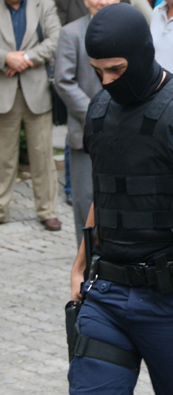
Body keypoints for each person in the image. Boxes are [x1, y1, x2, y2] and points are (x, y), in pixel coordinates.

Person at [67, 4, 173, 395]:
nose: (107, 81)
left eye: (116, 69)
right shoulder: (99, 110)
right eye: (98, 71)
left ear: (142, 53)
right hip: (106, 294)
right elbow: (106, 193)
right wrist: (79, 266)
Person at [55, 0, 119, 247]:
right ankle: (86, 258)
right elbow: (64, 81)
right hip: (85, 133)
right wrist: (98, 114)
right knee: (85, 200)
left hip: (124, 131)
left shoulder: (128, 30)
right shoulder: (71, 32)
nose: (102, 1)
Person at [0, 0, 62, 231]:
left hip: (37, 91)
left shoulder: (43, 4)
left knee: (42, 155)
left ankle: (48, 211)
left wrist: (25, 58)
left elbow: (55, 39)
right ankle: (1, 208)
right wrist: (6, 58)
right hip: (3, 91)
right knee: (3, 157)